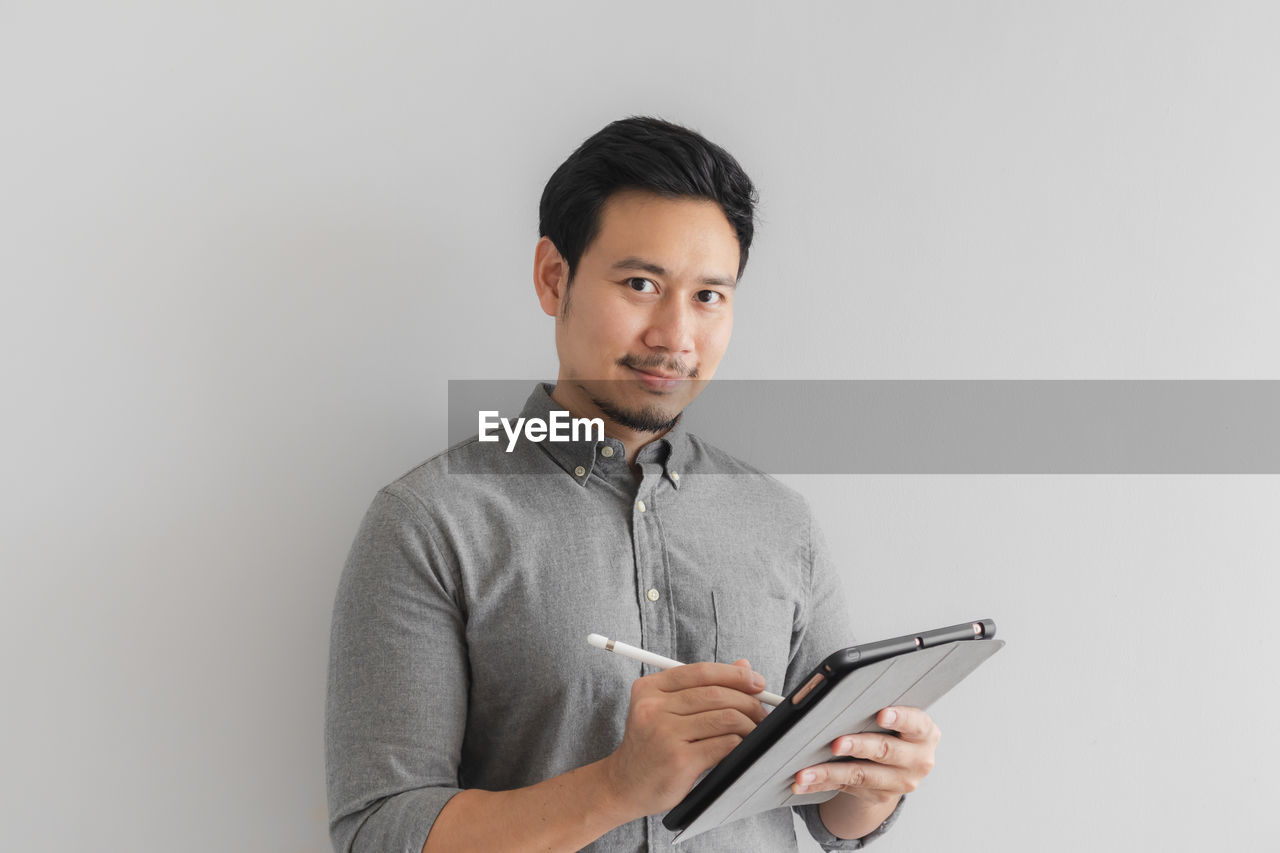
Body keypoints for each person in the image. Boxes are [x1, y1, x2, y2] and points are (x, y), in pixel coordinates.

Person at [325, 116, 941, 852]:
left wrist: (874, 780)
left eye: (709, 296)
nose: (676, 335)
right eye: (642, 283)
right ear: (555, 278)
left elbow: (829, 812)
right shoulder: (431, 520)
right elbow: (379, 831)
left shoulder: (781, 521)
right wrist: (617, 785)